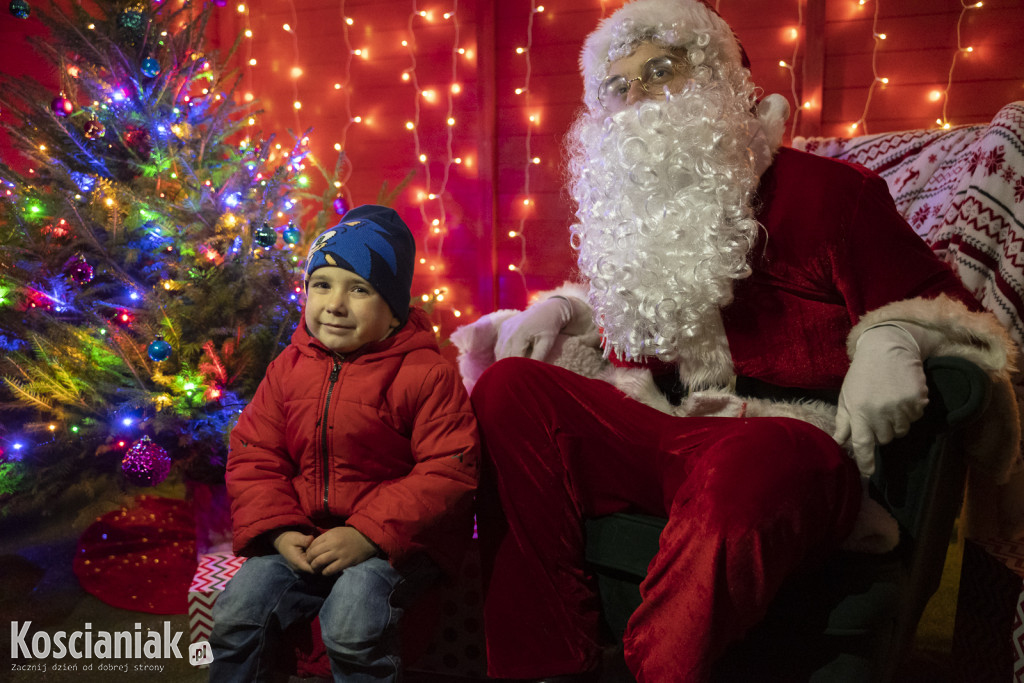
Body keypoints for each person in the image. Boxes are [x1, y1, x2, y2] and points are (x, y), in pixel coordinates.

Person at [466, 1, 1017, 682]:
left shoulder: (827, 196)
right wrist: (562, 310)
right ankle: (544, 665)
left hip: (796, 443)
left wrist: (895, 335)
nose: (639, 96)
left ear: (719, 80)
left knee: (746, 466)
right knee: (509, 389)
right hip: (670, 430)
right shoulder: (630, 218)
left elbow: (954, 315)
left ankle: (659, 669)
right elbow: (621, 330)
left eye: (661, 70)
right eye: (619, 85)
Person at [208, 204, 479, 683]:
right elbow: (255, 453)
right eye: (322, 285)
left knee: (353, 624)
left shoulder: (426, 373)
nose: (334, 304)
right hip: (302, 530)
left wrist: (367, 534)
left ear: (394, 312)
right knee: (237, 612)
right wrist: (277, 529)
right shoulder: (289, 366)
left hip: (391, 541)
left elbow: (447, 471)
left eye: (359, 289)